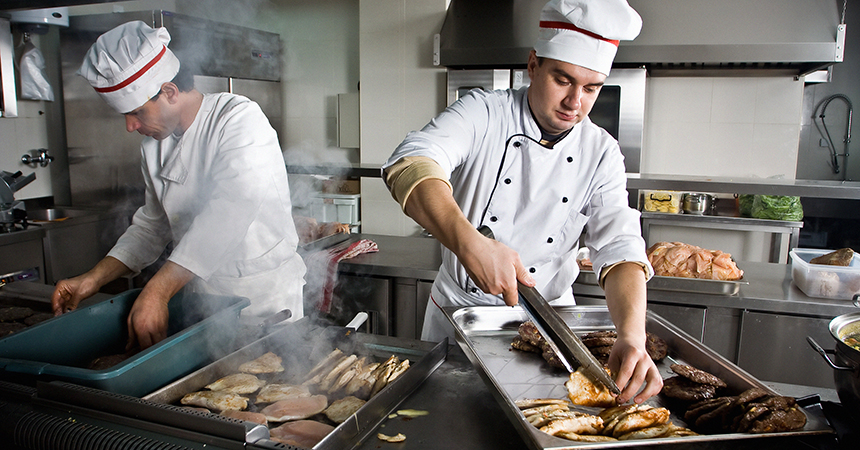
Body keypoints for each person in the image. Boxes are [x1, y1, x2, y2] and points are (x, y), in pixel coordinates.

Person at [382, 0, 660, 405]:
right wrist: (470, 243)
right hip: (461, 316)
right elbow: (410, 162)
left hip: (550, 327)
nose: (575, 102)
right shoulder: (484, 112)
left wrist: (632, 336)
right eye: (563, 80)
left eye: (591, 88)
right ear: (533, 64)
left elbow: (620, 246)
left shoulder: (601, 152)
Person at [51, 21, 306, 350]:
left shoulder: (239, 119)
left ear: (169, 92)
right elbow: (152, 226)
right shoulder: (154, 146)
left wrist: (157, 291)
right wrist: (93, 279)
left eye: (137, 112)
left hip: (264, 300)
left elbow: (230, 212)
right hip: (201, 301)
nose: (130, 126)